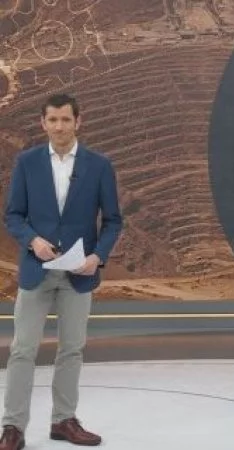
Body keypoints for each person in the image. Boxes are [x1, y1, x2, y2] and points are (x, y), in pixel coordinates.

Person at [0, 93, 122, 449]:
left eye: (66, 119)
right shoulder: (27, 162)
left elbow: (113, 221)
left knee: (72, 349)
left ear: (78, 122)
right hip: (36, 270)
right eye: (52, 120)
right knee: (23, 349)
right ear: (43, 123)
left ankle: (63, 421)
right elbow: (13, 215)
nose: (59, 126)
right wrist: (32, 241)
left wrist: (97, 256)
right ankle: (13, 427)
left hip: (78, 275)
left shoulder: (99, 165)